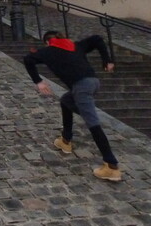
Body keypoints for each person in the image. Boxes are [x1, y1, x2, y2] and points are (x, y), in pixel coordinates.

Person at [24, 31, 122, 182]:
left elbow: (28, 59)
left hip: (81, 87)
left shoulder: (48, 51)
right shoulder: (75, 46)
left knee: (93, 123)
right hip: (93, 82)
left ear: (47, 42)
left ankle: (112, 166)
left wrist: (38, 81)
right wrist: (107, 60)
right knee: (66, 100)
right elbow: (97, 38)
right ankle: (65, 140)